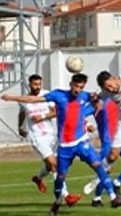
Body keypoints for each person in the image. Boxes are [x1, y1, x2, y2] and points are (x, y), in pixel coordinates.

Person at [3, 73, 121, 214]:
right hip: (65, 146)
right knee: (60, 176)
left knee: (98, 166)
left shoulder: (85, 96)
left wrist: (96, 103)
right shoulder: (58, 95)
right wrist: (11, 97)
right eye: (76, 86)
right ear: (70, 84)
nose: (78, 90)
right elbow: (33, 99)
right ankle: (57, 201)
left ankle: (113, 197)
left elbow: (98, 100)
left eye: (81, 87)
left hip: (81, 142)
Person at [18, 74, 80, 206]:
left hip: (51, 135)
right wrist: (20, 126)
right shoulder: (24, 100)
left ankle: (38, 178)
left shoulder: (47, 96)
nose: (37, 87)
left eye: (39, 84)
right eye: (35, 84)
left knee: (50, 165)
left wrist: (42, 117)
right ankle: (66, 196)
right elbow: (22, 112)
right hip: (37, 138)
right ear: (29, 84)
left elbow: (56, 111)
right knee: (55, 164)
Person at [82, 90, 121, 205]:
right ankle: (97, 198)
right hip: (108, 141)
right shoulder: (96, 102)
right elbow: (79, 115)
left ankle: (117, 183)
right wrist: (88, 124)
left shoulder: (119, 99)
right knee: (106, 170)